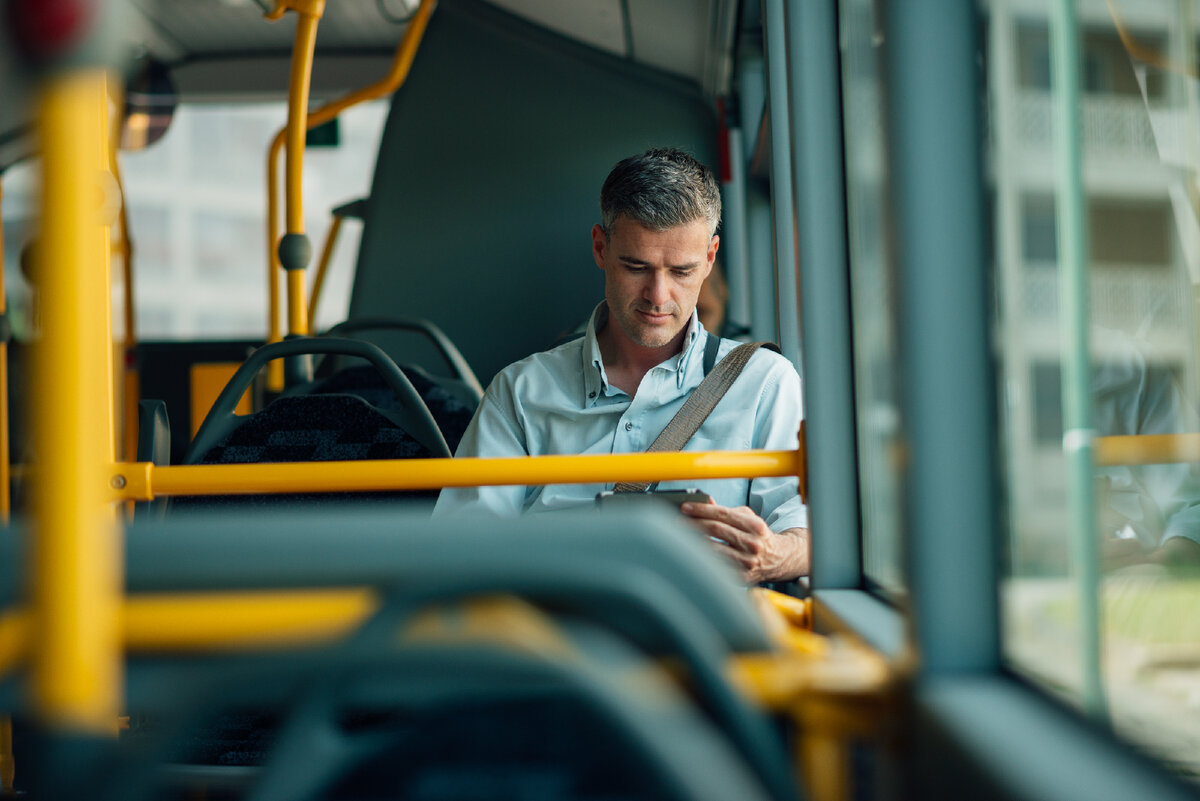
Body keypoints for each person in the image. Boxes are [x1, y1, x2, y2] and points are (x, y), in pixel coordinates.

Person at [434, 148, 809, 583]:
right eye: (637, 267)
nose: (658, 296)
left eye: (682, 271)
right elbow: (459, 550)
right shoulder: (520, 392)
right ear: (600, 247)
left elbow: (808, 530)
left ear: (710, 259)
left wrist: (774, 554)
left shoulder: (765, 383)